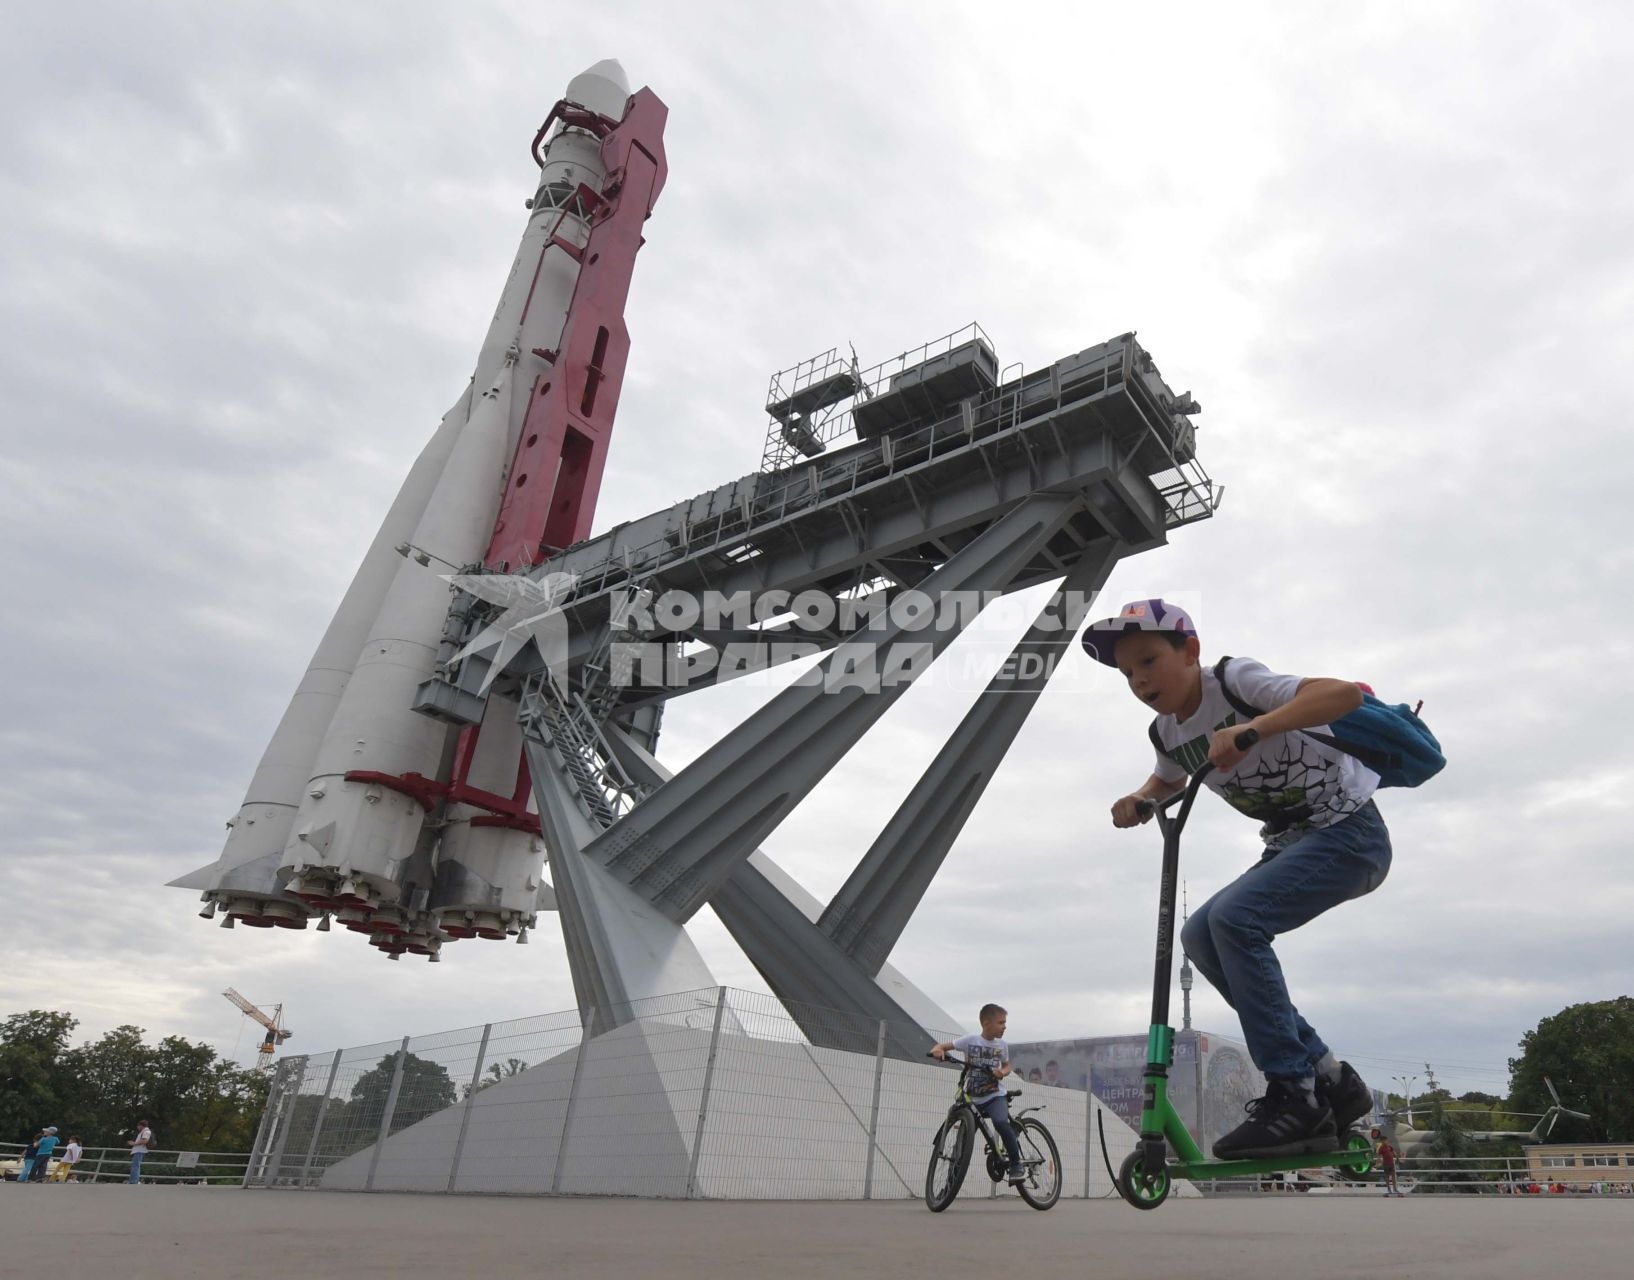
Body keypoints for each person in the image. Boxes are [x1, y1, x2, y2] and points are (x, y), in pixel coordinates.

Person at [1086, 599, 1387, 1160]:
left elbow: (1343, 695)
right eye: (1128, 672)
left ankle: (1294, 1093)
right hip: (1290, 844)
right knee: (1200, 936)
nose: (1139, 679)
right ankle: (1330, 1077)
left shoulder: (1233, 680)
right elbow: (1167, 779)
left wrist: (1256, 726)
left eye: (1149, 660)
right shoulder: (1166, 732)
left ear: (1190, 651)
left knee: (1236, 919)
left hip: (1351, 833)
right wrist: (1140, 799)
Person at [931, 1004, 1028, 1184]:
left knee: (1000, 1122)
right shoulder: (971, 1040)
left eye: (1005, 1023)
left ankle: (1016, 1165)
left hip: (994, 1095)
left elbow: (1007, 1066)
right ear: (986, 1023)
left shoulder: (1002, 1045)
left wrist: (1003, 1072)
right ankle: (948, 1186)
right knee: (962, 1142)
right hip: (972, 1098)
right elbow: (942, 1046)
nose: (1004, 1026)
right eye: (1001, 1023)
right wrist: (938, 1050)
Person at [127, 1120, 153, 1184]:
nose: (137, 1127)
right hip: (138, 1150)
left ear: (141, 1126)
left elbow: (145, 1141)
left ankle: (134, 1181)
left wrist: (134, 1143)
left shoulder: (146, 1131)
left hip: (139, 1150)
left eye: (138, 1126)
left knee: (135, 1166)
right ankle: (133, 1181)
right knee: (135, 1166)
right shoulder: (144, 1131)